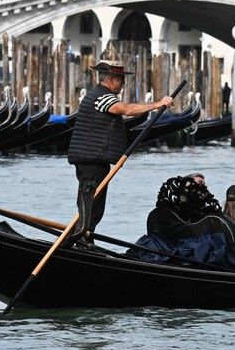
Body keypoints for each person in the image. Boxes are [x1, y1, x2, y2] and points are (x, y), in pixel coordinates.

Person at [65, 60, 175, 244]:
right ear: (110, 79)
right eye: (121, 79)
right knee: (90, 204)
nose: (123, 83)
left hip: (96, 161)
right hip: (91, 162)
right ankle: (80, 238)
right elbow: (125, 109)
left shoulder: (101, 96)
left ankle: (85, 238)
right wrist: (158, 104)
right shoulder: (101, 97)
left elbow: (130, 110)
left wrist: (152, 107)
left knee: (96, 207)